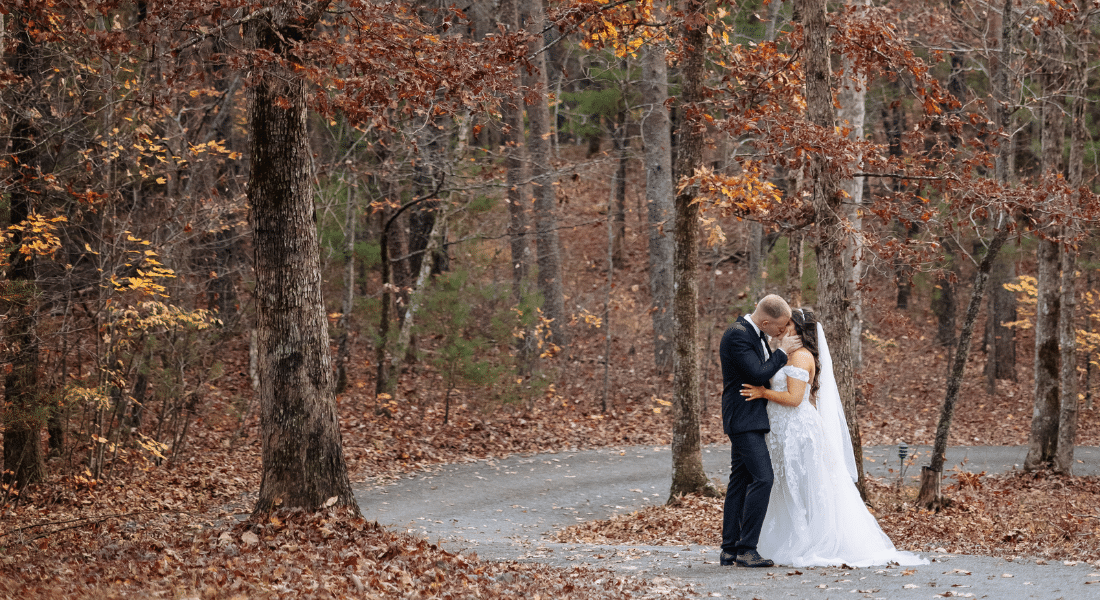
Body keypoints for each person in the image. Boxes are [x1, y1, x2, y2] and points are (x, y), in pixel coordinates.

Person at [741, 309, 928, 567]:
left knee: (802, 484)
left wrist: (763, 393)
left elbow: (795, 399)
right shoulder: (785, 355)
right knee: (784, 484)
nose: (784, 328)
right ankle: (781, 537)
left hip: (797, 430)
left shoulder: (801, 357)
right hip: (781, 429)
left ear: (801, 331)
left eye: (789, 325)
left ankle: (809, 539)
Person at [718, 294, 802, 568]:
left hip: (751, 418)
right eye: (779, 326)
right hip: (743, 418)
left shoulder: (754, 333)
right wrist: (782, 352)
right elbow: (756, 373)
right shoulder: (737, 334)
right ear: (765, 321)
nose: (781, 331)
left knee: (740, 481)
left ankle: (730, 549)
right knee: (764, 478)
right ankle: (746, 549)